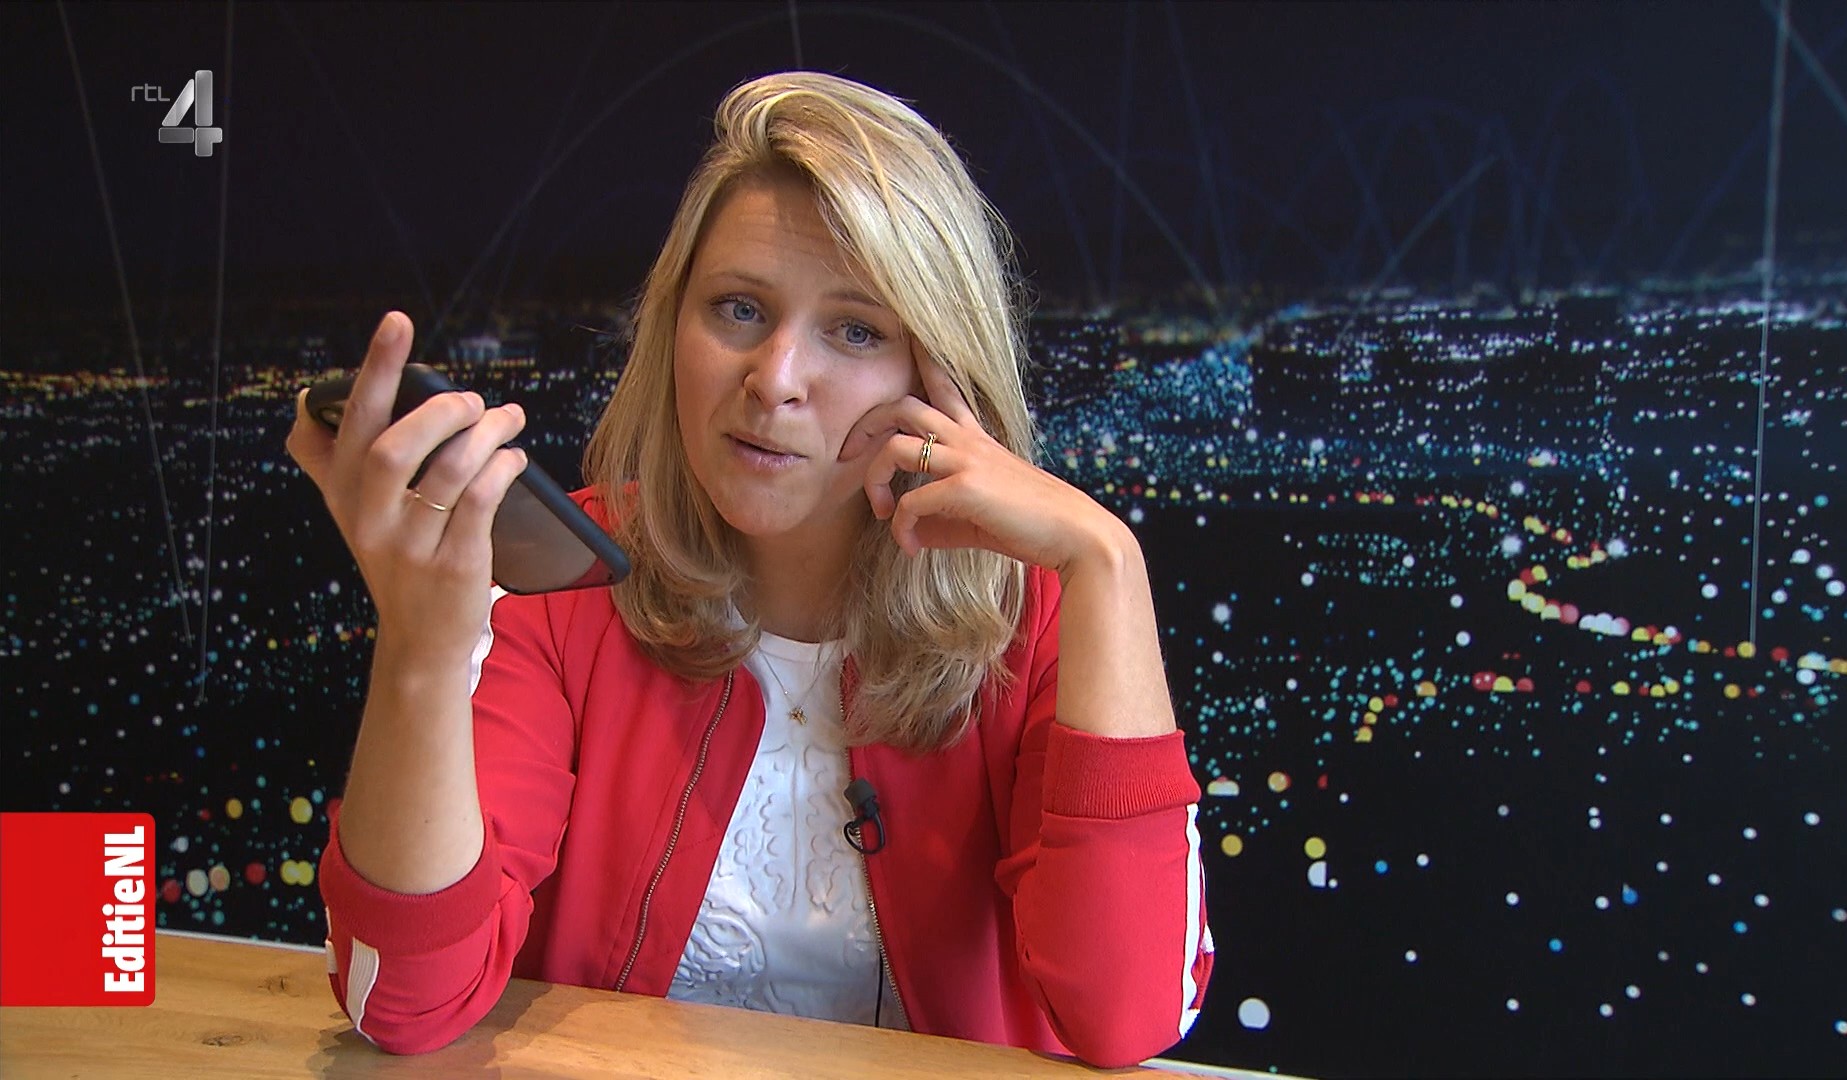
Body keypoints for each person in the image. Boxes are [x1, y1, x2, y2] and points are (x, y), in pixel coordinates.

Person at [288, 71, 1212, 1068]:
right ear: (672, 329)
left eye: (855, 330)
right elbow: (402, 1002)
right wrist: (422, 652)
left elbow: (1127, 1018)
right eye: (737, 308)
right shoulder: (560, 590)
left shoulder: (1035, 614)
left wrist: (1108, 564)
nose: (774, 380)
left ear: (938, 374)